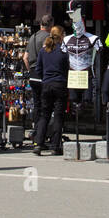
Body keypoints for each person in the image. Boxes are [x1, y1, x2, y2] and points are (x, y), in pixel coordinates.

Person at [34, 25, 68, 156]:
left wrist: (45, 77)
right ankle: (55, 145)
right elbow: (67, 67)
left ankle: (38, 144)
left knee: (44, 115)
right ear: (61, 36)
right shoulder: (63, 51)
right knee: (59, 116)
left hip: (46, 84)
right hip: (60, 84)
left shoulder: (44, 51)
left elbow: (38, 69)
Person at [25, 14, 52, 135]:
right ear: (51, 25)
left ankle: (36, 129)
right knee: (46, 106)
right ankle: (43, 132)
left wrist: (30, 70)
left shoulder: (32, 37)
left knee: (37, 105)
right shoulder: (49, 38)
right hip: (44, 75)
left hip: (33, 74)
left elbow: (25, 57)